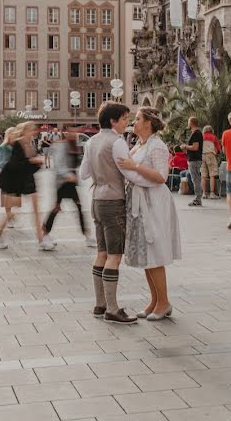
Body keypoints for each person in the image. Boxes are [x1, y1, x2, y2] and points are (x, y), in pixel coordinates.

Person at [78, 102, 143, 325]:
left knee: (102, 252)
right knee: (115, 255)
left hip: (96, 198)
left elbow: (84, 173)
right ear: (113, 121)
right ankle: (113, 309)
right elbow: (128, 172)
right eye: (125, 119)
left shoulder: (91, 141)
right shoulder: (117, 142)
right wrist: (148, 178)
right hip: (114, 200)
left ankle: (100, 303)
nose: (127, 123)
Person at [117, 107, 181, 321]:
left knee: (155, 253)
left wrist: (134, 166)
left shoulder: (158, 146)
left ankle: (164, 302)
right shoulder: (140, 144)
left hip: (154, 202)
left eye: (136, 119)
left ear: (148, 123)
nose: (133, 122)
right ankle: (155, 301)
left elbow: (162, 176)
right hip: (140, 201)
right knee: (146, 254)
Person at [0, 123, 44, 249]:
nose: (34, 132)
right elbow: (16, 165)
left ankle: (41, 240)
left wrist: (37, 163)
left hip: (28, 179)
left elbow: (31, 166)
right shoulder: (17, 143)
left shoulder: (31, 144)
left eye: (34, 130)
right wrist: (33, 161)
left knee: (36, 209)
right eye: (31, 130)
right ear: (24, 131)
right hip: (14, 180)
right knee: (13, 211)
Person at [43, 132, 93, 250]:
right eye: (71, 131)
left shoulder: (74, 145)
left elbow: (78, 163)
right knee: (56, 208)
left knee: (78, 207)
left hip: (70, 184)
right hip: (62, 183)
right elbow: (59, 164)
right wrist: (68, 175)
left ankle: (87, 235)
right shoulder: (61, 146)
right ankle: (44, 235)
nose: (74, 134)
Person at [182, 117, 204, 206]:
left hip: (194, 160)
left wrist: (185, 146)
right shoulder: (196, 133)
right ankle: (198, 198)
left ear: (191, 123)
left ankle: (198, 199)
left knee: (196, 179)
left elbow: (195, 147)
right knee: (196, 179)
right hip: (194, 159)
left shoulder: (196, 134)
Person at [201, 125, 222, 199]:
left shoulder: (201, 136)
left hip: (202, 156)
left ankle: (203, 193)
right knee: (212, 175)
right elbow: (218, 149)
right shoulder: (213, 137)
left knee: (203, 175)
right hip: (211, 155)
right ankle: (212, 194)